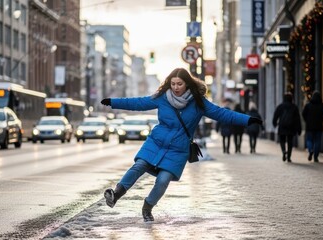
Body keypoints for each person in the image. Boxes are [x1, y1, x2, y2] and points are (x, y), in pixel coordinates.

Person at [100, 68, 261, 222]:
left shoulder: (199, 103)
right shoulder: (162, 97)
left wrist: (247, 120)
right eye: (173, 84)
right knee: (139, 166)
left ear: (187, 84)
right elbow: (139, 103)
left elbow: (222, 113)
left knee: (163, 180)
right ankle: (115, 195)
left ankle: (147, 208)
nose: (176, 87)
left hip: (178, 149)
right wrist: (113, 102)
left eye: (179, 84)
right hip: (156, 142)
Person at [272, 92, 301, 162]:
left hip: (282, 126)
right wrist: (299, 129)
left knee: (282, 140)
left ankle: (284, 151)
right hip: (291, 127)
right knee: (290, 142)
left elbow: (276, 115)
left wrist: (274, 123)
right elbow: (298, 119)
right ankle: (289, 157)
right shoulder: (294, 107)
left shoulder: (280, 106)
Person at [302, 91, 323, 162]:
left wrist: (307, 120)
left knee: (309, 140)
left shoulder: (308, 105)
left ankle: (310, 150)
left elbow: (303, 114)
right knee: (317, 141)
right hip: (319, 126)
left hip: (309, 126)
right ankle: (316, 157)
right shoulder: (322, 105)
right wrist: (321, 119)